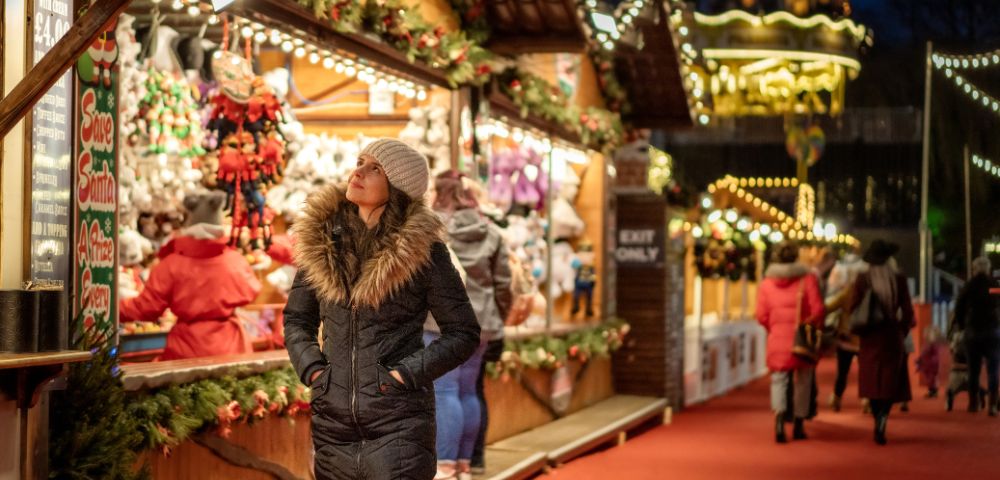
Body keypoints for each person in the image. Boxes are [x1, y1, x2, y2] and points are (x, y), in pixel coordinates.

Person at [284, 139, 481, 480]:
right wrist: (315, 371)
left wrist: (403, 375)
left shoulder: (422, 252)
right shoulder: (323, 244)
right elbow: (297, 320)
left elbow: (463, 333)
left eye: (374, 168)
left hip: (399, 421)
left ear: (398, 186)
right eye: (360, 161)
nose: (358, 171)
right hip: (333, 422)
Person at [427, 171, 513, 480]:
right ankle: (464, 463)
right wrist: (498, 315)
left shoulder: (432, 227)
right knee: (467, 391)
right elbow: (504, 283)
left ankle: (446, 464)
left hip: (442, 322)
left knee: (444, 390)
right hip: (483, 322)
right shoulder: (490, 231)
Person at [120, 190, 261, 360]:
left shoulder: (171, 265)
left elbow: (146, 308)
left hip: (187, 351)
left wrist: (111, 308)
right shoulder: (236, 261)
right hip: (233, 349)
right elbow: (252, 291)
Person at [756, 241, 824, 443]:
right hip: (801, 338)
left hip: (777, 338)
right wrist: (809, 325)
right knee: (803, 380)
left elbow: (760, 315)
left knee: (779, 380)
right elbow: (818, 309)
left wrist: (774, 328)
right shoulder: (807, 279)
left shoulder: (766, 284)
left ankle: (779, 421)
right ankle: (799, 424)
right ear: (796, 257)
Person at [848, 240, 914, 445]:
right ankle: (884, 417)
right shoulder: (898, 278)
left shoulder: (863, 278)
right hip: (891, 335)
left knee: (871, 381)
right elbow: (908, 311)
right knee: (888, 381)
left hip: (869, 336)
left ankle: (877, 418)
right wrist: (901, 331)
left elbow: (853, 307)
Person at [953, 256, 1000, 416]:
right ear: (988, 268)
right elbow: (997, 301)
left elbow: (959, 306)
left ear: (974, 269)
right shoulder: (994, 285)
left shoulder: (969, 285)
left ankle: (973, 403)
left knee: (974, 369)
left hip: (972, 331)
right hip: (992, 331)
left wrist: (961, 325)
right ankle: (993, 405)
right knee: (994, 369)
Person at [825, 248, 867, 411]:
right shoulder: (868, 292)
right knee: (865, 371)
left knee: (842, 372)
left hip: (846, 336)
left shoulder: (847, 292)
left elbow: (831, 306)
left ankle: (836, 398)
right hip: (863, 337)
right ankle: (866, 400)